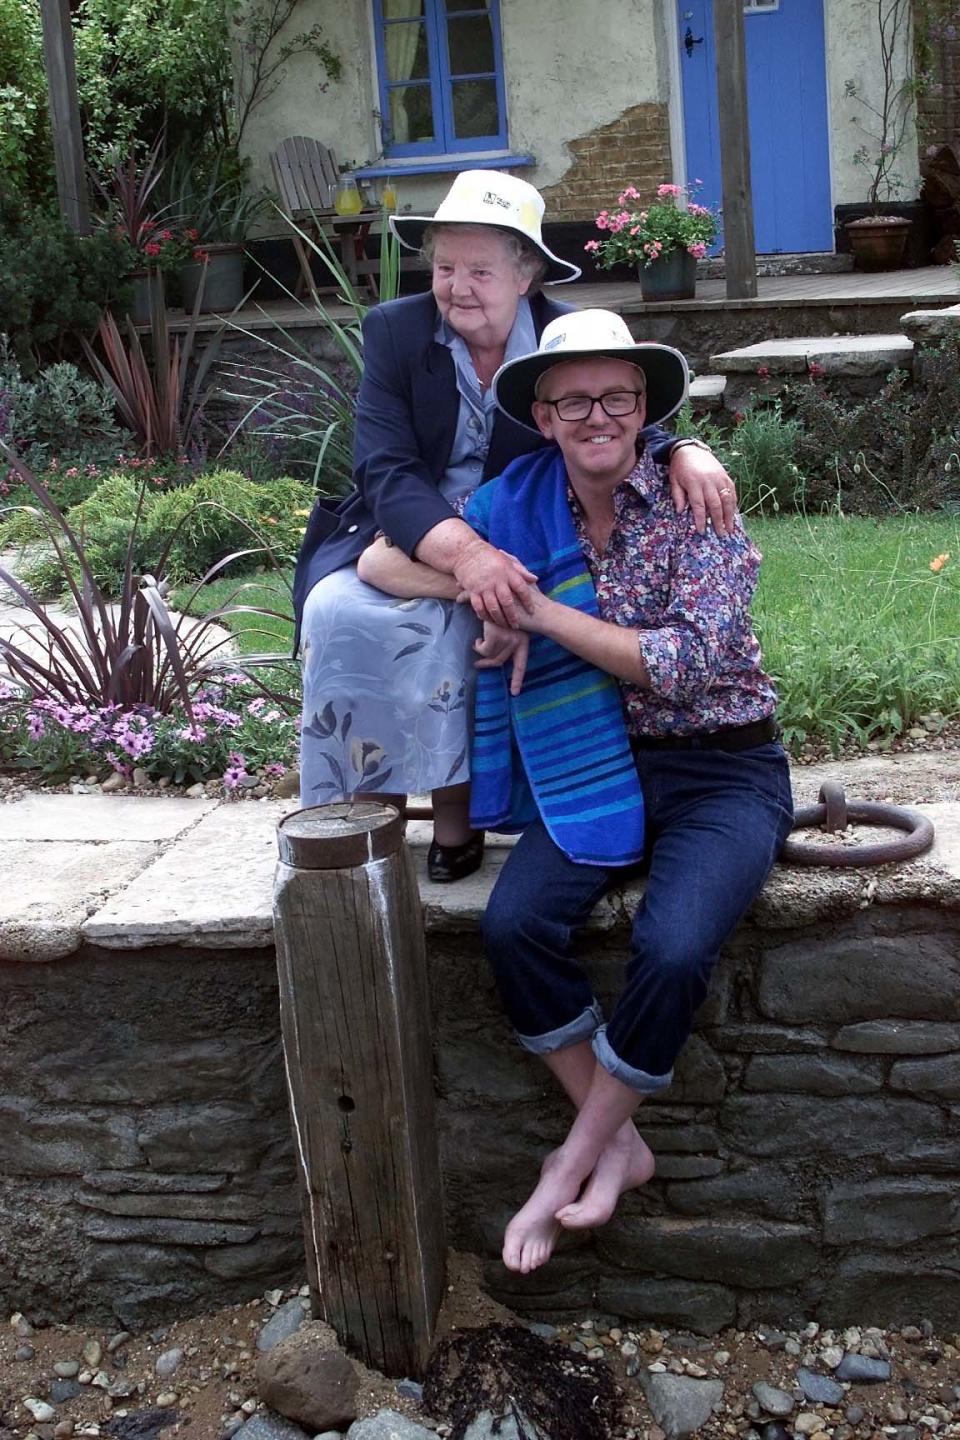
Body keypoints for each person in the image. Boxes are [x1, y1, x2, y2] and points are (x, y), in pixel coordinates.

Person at [369, 309, 794, 1272]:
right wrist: (481, 579)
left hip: (726, 770)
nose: (597, 416)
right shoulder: (518, 504)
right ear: (547, 415)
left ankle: (569, 1162)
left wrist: (539, 614)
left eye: (617, 398)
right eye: (574, 401)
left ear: (644, 409)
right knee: (514, 927)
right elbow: (377, 560)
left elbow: (679, 665)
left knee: (675, 946)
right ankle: (621, 1142)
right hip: (599, 762)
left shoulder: (699, 502)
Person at [293, 170, 738, 882]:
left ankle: (459, 817)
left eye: (479, 270)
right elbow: (386, 470)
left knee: (466, 627)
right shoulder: (395, 332)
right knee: (340, 610)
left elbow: (617, 415)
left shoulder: (562, 334)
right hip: (408, 532)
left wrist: (687, 445)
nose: (457, 287)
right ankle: (360, 811)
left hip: (519, 539)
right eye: (444, 268)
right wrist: (468, 562)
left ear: (525, 273)